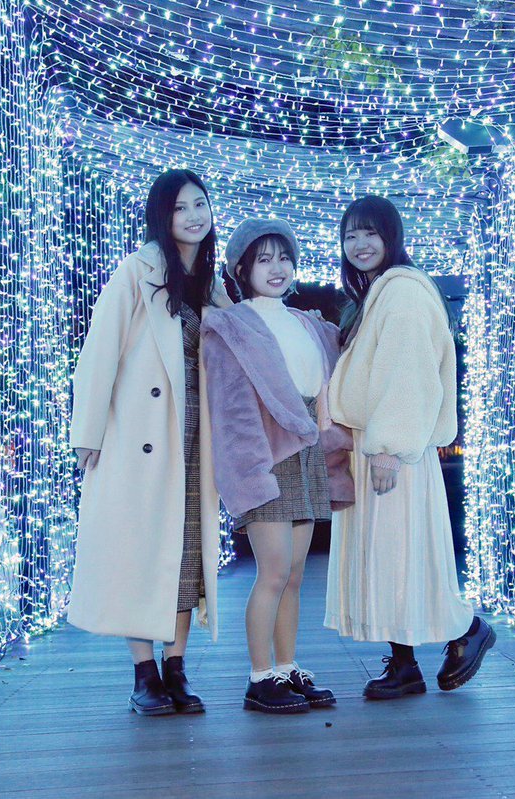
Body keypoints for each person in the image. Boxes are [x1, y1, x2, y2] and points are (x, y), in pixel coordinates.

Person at [67, 169, 231, 715]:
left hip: (195, 439)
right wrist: (87, 433)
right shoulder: (136, 271)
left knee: (186, 554)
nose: (193, 216)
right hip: (139, 435)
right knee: (138, 552)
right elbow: (100, 352)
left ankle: (176, 667)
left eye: (200, 204)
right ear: (162, 216)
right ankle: (144, 674)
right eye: (180, 207)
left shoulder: (211, 283)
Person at [324, 195, 496, 699]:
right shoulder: (380, 293)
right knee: (389, 555)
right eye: (350, 235)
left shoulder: (402, 291)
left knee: (399, 553)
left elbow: (409, 373)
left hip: (392, 449)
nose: (359, 244)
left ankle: (466, 630)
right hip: (377, 445)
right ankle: (404, 664)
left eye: (370, 233)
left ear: (391, 237)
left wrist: (389, 447)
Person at [202, 219, 352, 714]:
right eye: (263, 259)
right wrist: (250, 474)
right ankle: (259, 676)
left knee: (293, 575)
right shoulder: (231, 326)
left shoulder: (309, 323)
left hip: (307, 455)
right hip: (266, 458)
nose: (277, 268)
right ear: (241, 269)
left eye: (284, 258)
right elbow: (231, 411)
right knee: (272, 573)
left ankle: (286, 668)